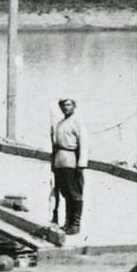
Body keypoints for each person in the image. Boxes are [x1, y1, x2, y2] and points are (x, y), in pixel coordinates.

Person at [51, 98, 89, 235]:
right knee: (66, 193)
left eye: (68, 105)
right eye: (62, 105)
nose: (65, 108)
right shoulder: (60, 123)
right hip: (60, 160)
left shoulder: (78, 121)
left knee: (75, 193)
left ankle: (76, 224)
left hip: (71, 160)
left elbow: (84, 142)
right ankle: (67, 223)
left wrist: (82, 163)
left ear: (74, 106)